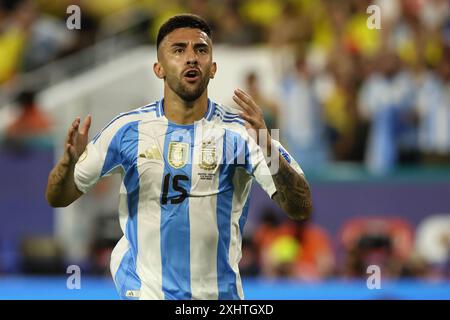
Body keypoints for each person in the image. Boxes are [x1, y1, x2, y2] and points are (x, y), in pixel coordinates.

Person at [45, 14, 312, 300]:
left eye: (201, 50)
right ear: (159, 69)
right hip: (146, 292)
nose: (191, 58)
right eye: (178, 50)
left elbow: (300, 208)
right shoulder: (127, 130)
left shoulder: (243, 135)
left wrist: (269, 149)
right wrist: (66, 165)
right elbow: (58, 197)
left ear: (213, 68)